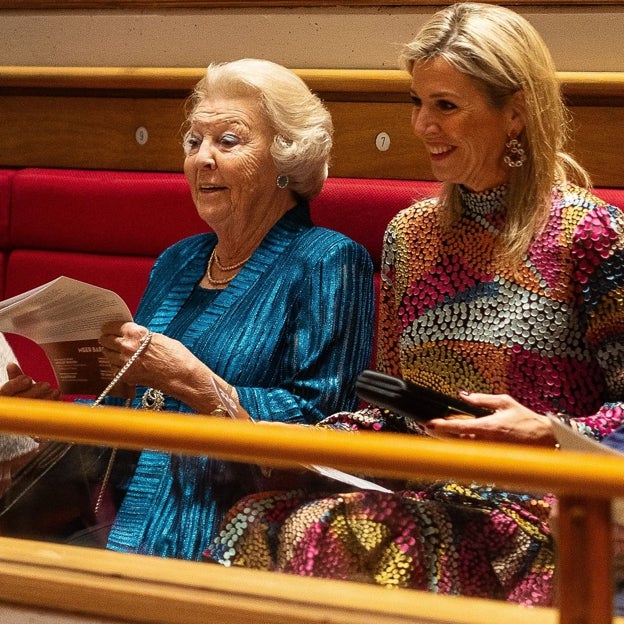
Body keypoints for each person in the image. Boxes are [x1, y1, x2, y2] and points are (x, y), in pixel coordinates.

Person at [204, 3, 624, 607]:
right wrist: (317, 442)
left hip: (548, 510)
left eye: (446, 106)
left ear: (516, 113)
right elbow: (392, 400)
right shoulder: (411, 235)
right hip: (425, 490)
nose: (423, 124)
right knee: (254, 520)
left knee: (334, 533)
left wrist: (548, 431)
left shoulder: (591, 236)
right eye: (417, 102)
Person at [0, 59, 375, 559]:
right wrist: (52, 423)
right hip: (116, 517)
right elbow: (131, 415)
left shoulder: (328, 260)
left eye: (228, 141)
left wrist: (193, 382)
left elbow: (327, 426)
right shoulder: (177, 262)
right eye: (194, 142)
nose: (202, 158)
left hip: (230, 532)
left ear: (288, 159)